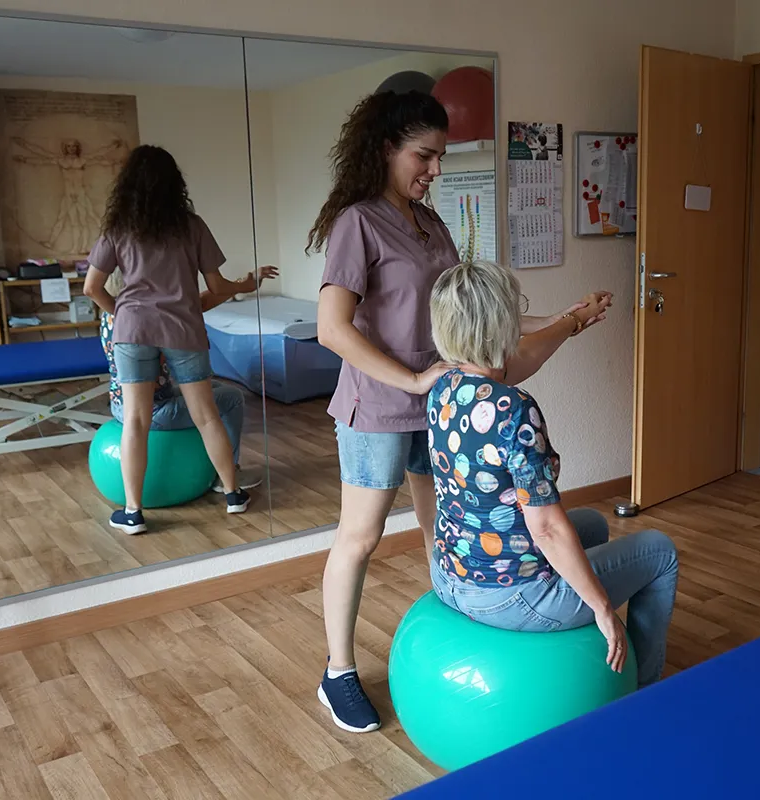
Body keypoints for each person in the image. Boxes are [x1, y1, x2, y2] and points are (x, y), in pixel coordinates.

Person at [309, 89, 615, 733]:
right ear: (386, 148)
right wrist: (412, 378)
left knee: (440, 524)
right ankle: (338, 673)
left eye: (440, 157)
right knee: (360, 537)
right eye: (424, 156)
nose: (436, 170)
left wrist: (565, 318)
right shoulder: (358, 223)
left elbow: (475, 316)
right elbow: (332, 329)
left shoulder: (430, 223)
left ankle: (459, 632)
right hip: (377, 404)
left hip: (443, 402)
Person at [426, 260, 679, 685]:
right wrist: (602, 607)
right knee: (659, 551)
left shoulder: (442, 386)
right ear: (502, 324)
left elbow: (525, 357)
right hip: (512, 597)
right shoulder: (513, 409)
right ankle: (646, 685)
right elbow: (544, 528)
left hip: (450, 576)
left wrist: (573, 320)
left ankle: (589, 656)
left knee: (593, 524)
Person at [83, 144, 271, 534]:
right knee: (207, 414)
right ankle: (233, 494)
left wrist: (122, 314)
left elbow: (91, 288)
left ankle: (133, 512)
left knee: (135, 420)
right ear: (174, 184)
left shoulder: (118, 229)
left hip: (134, 330)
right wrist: (245, 284)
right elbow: (216, 287)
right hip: (183, 329)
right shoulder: (192, 226)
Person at [97, 267, 275, 498]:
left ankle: (219, 465)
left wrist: (240, 285)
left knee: (218, 390)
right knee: (231, 398)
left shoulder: (112, 313)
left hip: (120, 404)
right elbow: (196, 307)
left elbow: (198, 303)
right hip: (153, 411)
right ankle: (228, 476)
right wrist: (240, 286)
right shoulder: (147, 319)